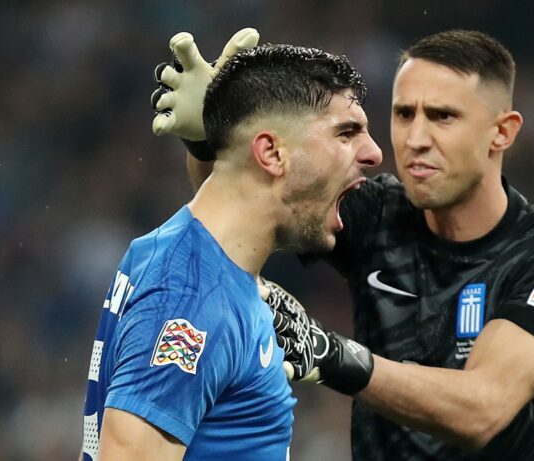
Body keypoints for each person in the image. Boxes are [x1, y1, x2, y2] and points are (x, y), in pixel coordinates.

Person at [154, 29, 534, 461]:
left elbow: (482, 409)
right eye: (404, 114)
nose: (416, 139)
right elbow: (249, 201)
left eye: (443, 116)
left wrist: (330, 354)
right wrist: (213, 138)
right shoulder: (380, 213)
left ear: (502, 131)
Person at [81, 30, 382, 461]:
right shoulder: (193, 298)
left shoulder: (192, 260)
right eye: (346, 133)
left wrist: (213, 140)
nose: (373, 153)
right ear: (271, 153)